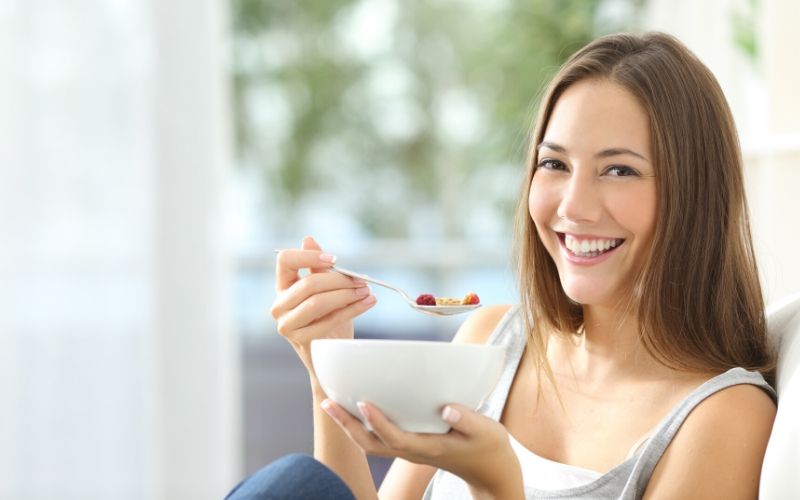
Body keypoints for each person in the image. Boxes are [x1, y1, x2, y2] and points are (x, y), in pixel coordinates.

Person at [229, 32, 778, 499]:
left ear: (694, 195)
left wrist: (497, 483)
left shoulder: (723, 417)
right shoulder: (492, 340)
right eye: (555, 163)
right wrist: (329, 362)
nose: (573, 205)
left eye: (619, 171)